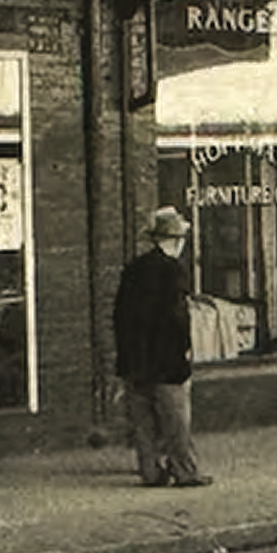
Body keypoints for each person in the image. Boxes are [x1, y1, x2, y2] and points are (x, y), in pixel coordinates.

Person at [114, 205, 211, 488]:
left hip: (135, 360)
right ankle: (185, 471)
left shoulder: (133, 269)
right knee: (176, 421)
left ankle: (151, 472)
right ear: (176, 240)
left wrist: (125, 355)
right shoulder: (172, 272)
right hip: (167, 360)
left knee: (143, 423)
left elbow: (120, 315)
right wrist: (185, 349)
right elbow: (176, 317)